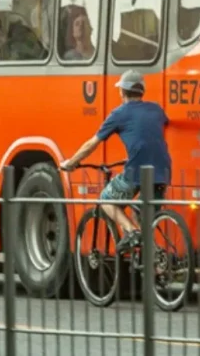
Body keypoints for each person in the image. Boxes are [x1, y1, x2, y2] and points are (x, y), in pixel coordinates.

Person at [61, 70, 171, 254]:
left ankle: (131, 231)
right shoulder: (156, 109)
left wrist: (71, 163)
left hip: (137, 170)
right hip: (163, 170)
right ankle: (156, 264)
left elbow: (91, 144)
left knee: (106, 200)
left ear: (122, 92)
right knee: (140, 214)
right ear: (142, 91)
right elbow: (153, 130)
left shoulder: (119, 114)